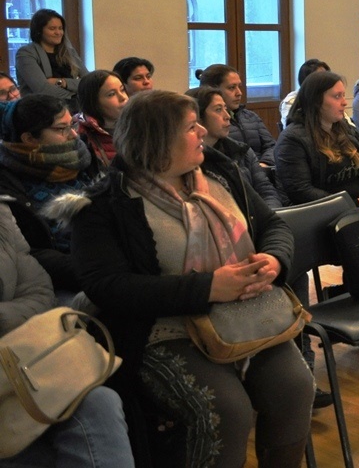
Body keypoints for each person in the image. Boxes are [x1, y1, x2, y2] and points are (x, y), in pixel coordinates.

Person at [69, 90, 313, 468]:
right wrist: (208, 288)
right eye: (190, 126)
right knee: (227, 411)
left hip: (245, 315)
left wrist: (274, 259)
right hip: (165, 329)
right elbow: (108, 286)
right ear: (157, 139)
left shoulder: (218, 174)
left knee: (295, 388)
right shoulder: (105, 205)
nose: (202, 130)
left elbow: (273, 226)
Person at [0, 197, 135, 468]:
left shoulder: (1, 216)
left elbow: (38, 290)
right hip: (15, 358)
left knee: (100, 400)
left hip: (17, 355)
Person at [0, 95, 92, 293]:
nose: (74, 135)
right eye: (61, 129)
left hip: (106, 257)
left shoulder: (83, 158)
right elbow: (28, 252)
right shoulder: (7, 181)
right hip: (59, 278)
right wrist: (95, 271)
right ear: (29, 138)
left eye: (72, 124)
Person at [275, 71, 359, 213]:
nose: (344, 102)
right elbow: (301, 191)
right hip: (325, 216)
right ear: (316, 101)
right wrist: (351, 204)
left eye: (343, 95)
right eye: (337, 96)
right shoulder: (292, 140)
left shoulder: (347, 130)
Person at [189, 86, 282, 208]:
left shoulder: (241, 151)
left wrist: (271, 218)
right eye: (218, 110)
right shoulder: (189, 161)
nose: (227, 116)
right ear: (198, 118)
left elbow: (266, 191)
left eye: (225, 109)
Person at [196, 64, 276, 166]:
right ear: (213, 90)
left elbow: (272, 146)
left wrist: (264, 163)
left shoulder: (251, 117)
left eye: (239, 87)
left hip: (262, 171)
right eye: (231, 88)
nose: (239, 93)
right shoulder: (211, 124)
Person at [15, 9, 88, 112]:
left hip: (73, 110)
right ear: (39, 31)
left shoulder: (70, 52)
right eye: (52, 28)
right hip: (40, 111)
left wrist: (63, 82)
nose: (58, 33)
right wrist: (74, 97)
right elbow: (42, 89)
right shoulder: (25, 53)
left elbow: (88, 82)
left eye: (60, 28)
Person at [75, 70, 129, 178]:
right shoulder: (79, 133)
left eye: (122, 90)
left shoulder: (139, 124)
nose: (123, 97)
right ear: (94, 102)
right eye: (111, 94)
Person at [279, 58, 331, 127]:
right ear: (306, 81)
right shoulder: (291, 101)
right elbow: (292, 128)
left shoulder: (330, 98)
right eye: (320, 78)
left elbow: (347, 125)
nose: (325, 82)